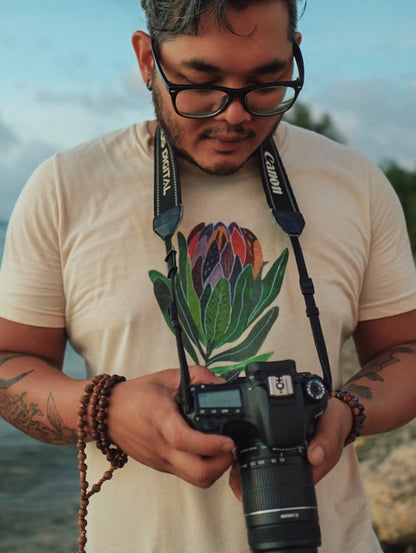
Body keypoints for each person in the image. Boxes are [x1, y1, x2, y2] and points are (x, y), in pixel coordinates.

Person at [0, 1, 416, 552]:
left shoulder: (356, 184)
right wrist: (109, 412)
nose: (235, 115)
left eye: (267, 82)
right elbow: (10, 362)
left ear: (295, 52)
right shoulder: (64, 188)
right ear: (148, 59)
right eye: (201, 83)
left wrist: (345, 412)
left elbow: (407, 349)